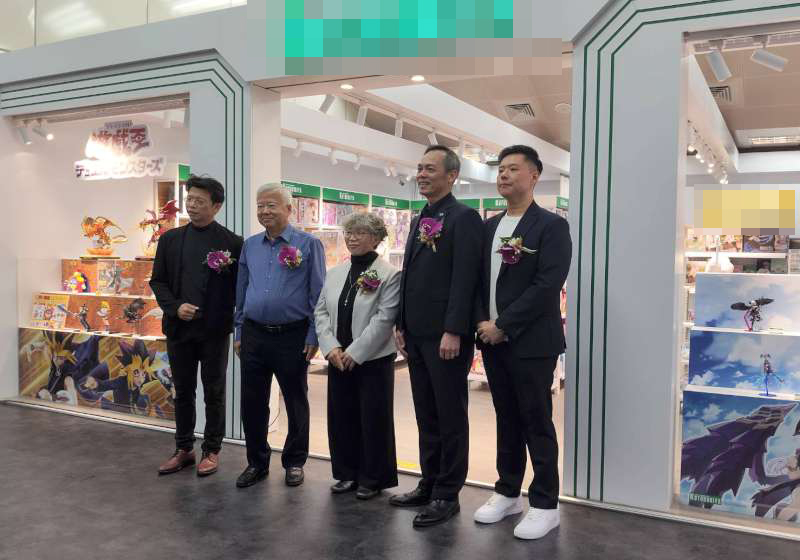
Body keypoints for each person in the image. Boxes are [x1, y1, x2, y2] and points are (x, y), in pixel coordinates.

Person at [473, 145, 572, 540]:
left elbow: (547, 285)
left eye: (513, 169)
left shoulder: (550, 226)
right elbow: (476, 280)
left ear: (534, 176)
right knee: (506, 417)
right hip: (492, 340)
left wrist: (504, 324)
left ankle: (546, 504)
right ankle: (507, 491)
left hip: (532, 342)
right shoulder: (488, 227)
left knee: (536, 419)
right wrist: (482, 322)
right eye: (501, 169)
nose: (504, 175)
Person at [391, 145, 483, 527]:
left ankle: (448, 493)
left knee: (450, 416)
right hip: (416, 334)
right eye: (419, 168)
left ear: (452, 175)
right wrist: (400, 323)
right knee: (426, 414)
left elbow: (466, 279)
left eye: (430, 168)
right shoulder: (420, 218)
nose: (421, 174)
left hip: (446, 338)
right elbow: (409, 274)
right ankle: (428, 482)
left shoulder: (465, 218)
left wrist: (454, 330)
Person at [150, 174, 243, 477]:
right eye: (189, 199)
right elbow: (158, 281)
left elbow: (238, 289)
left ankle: (212, 450)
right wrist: (176, 307)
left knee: (214, 391)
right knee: (183, 390)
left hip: (214, 330)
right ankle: (184, 448)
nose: (192, 205)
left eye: (199, 201)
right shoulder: (170, 239)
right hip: (179, 329)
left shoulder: (232, 243)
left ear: (216, 206)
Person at [234, 183, 325, 489]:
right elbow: (241, 290)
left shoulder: (309, 244)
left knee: (296, 400)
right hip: (253, 334)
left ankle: (295, 461)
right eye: (260, 206)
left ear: (289, 209)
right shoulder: (250, 245)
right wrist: (239, 330)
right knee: (252, 402)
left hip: (292, 336)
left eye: (271, 205)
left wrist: (313, 334)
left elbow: (318, 293)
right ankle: (256, 462)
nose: (264, 211)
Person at [314, 212, 401, 500]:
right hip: (338, 357)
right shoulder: (335, 272)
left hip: (373, 359)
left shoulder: (389, 274)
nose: (351, 238)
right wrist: (331, 347)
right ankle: (346, 473)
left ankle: (373, 478)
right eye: (349, 233)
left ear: (376, 239)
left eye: (360, 233)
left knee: (373, 419)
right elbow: (321, 311)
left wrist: (356, 352)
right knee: (341, 417)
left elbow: (384, 318)